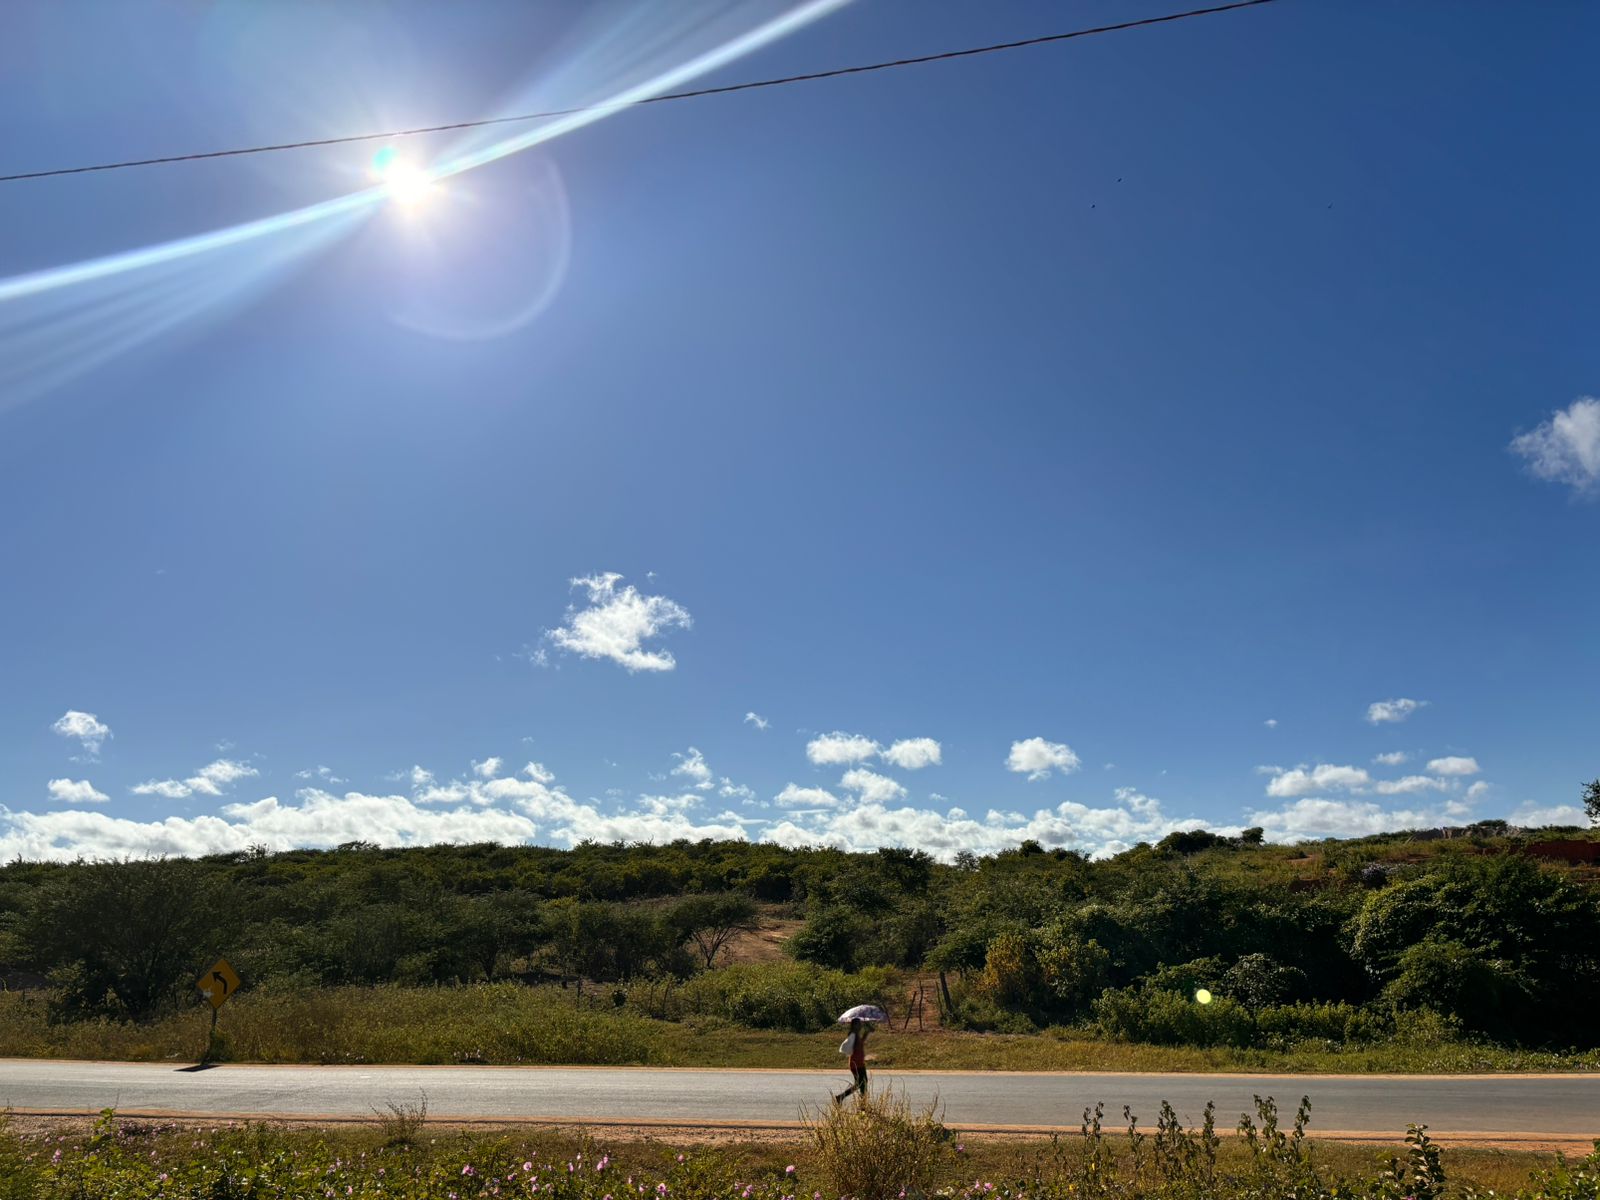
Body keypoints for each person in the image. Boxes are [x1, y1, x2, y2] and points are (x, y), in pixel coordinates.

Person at [834, 1017, 871, 1103]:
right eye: (859, 1024)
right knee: (862, 1084)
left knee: (861, 1084)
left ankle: (841, 1097)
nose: (860, 1025)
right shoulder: (853, 1035)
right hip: (856, 1064)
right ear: (854, 1025)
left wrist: (866, 1033)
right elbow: (853, 1047)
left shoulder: (856, 1035)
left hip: (860, 1063)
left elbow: (860, 1043)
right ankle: (862, 1107)